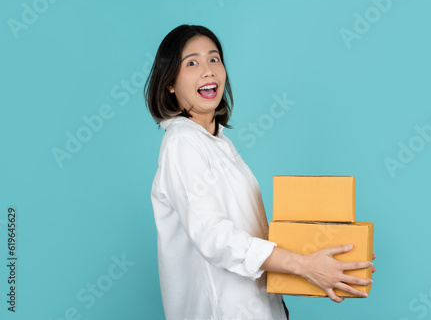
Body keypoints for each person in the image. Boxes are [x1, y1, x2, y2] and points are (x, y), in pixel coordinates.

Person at [144, 24, 376, 320]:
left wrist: (336, 258)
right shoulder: (182, 144)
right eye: (192, 63)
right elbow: (214, 237)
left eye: (214, 59)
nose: (208, 70)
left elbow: (254, 238)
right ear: (170, 83)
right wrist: (304, 265)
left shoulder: (218, 143)